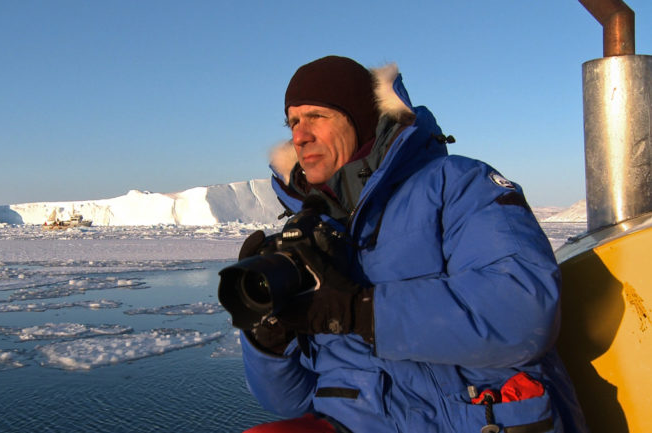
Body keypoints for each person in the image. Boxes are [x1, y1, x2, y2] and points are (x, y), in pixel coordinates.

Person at [235, 56, 587, 432]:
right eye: (293, 122)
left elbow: (523, 313)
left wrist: (361, 311)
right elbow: (289, 401)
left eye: (317, 116)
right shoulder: (306, 236)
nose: (300, 135)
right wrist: (267, 339)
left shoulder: (458, 185)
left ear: (362, 119)